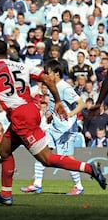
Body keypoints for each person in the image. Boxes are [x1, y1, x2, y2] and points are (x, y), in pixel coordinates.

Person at [0, 40, 106, 206]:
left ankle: (89, 169)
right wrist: (58, 100)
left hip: (20, 116)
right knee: (4, 150)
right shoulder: (21, 66)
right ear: (7, 53)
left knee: (46, 159)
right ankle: (5, 194)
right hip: (30, 110)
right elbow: (46, 78)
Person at [20, 60, 86, 196]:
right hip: (54, 127)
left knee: (67, 158)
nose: (46, 75)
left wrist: (69, 114)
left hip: (66, 130)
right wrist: (50, 114)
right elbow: (55, 103)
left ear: (56, 73)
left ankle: (78, 186)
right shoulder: (52, 86)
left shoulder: (64, 87)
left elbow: (81, 104)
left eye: (48, 72)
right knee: (40, 150)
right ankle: (37, 184)